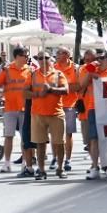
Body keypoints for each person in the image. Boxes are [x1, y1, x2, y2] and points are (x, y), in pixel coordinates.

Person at [79, 49, 107, 179]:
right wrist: (91, 73)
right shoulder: (88, 69)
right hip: (93, 108)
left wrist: (102, 80)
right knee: (94, 139)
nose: (99, 60)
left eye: (102, 58)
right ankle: (95, 167)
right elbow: (82, 85)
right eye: (97, 58)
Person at [0, 46, 35, 175]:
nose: (27, 58)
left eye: (27, 55)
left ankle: (25, 163)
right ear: (17, 57)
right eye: (25, 55)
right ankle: (7, 163)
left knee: (25, 137)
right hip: (10, 107)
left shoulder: (30, 70)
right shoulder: (7, 70)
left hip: (25, 108)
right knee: (9, 136)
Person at [29, 51, 70, 179]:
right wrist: (37, 94)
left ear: (50, 59)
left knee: (59, 143)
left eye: (45, 58)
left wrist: (51, 89)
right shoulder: (33, 75)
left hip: (56, 113)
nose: (42, 60)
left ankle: (60, 168)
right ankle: (41, 170)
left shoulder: (58, 74)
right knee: (40, 143)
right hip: (38, 114)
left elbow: (66, 90)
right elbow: (25, 93)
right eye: (39, 58)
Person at [54, 47, 78, 174]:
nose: (56, 54)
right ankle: (55, 158)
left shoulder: (76, 68)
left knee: (68, 133)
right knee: (55, 134)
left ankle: (68, 159)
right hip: (56, 104)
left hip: (70, 104)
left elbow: (78, 85)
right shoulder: (53, 67)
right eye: (56, 53)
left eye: (59, 52)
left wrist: (65, 87)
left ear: (67, 55)